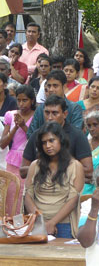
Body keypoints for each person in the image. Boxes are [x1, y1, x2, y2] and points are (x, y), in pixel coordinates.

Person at [24, 122, 84, 238]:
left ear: (61, 140)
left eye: (52, 140)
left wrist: (52, 223)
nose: (48, 146)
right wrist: (40, 221)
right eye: (44, 142)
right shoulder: (35, 165)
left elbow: (73, 200)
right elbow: (28, 196)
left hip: (64, 223)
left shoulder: (75, 166)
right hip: (36, 222)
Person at [21, 95, 93, 179]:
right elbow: (23, 171)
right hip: (40, 189)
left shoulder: (77, 135)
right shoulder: (36, 135)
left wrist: (53, 168)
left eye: (55, 113)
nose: (50, 117)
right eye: (47, 113)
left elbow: (88, 171)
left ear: (65, 114)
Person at [1, 85, 35, 215]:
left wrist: (23, 126)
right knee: (10, 194)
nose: (21, 104)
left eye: (25, 100)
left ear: (32, 100)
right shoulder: (11, 115)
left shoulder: (37, 116)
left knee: (24, 194)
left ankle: (24, 227)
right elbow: (3, 143)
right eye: (19, 100)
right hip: (12, 161)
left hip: (29, 160)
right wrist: (15, 127)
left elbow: (35, 139)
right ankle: (10, 226)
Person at [27, 70, 84, 136]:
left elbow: (76, 134)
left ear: (64, 86)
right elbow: (31, 134)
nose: (51, 89)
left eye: (55, 86)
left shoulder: (74, 108)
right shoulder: (40, 109)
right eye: (49, 86)